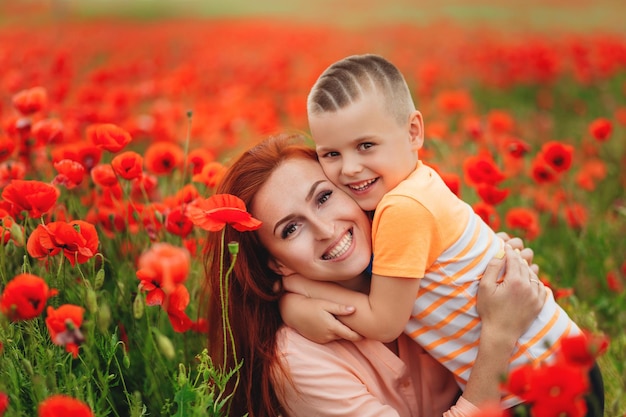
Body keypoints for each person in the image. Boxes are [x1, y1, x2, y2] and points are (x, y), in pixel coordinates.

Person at [280, 53, 603, 411]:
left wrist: (299, 288)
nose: (350, 168)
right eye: (331, 154)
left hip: (536, 378)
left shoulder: (403, 208)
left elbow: (384, 322)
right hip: (550, 365)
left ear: (413, 131)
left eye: (365, 146)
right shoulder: (417, 186)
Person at [202, 133, 546, 417]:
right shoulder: (298, 359)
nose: (324, 229)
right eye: (291, 228)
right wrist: (499, 335)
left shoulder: (421, 256)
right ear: (277, 264)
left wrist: (507, 272)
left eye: (324, 197)